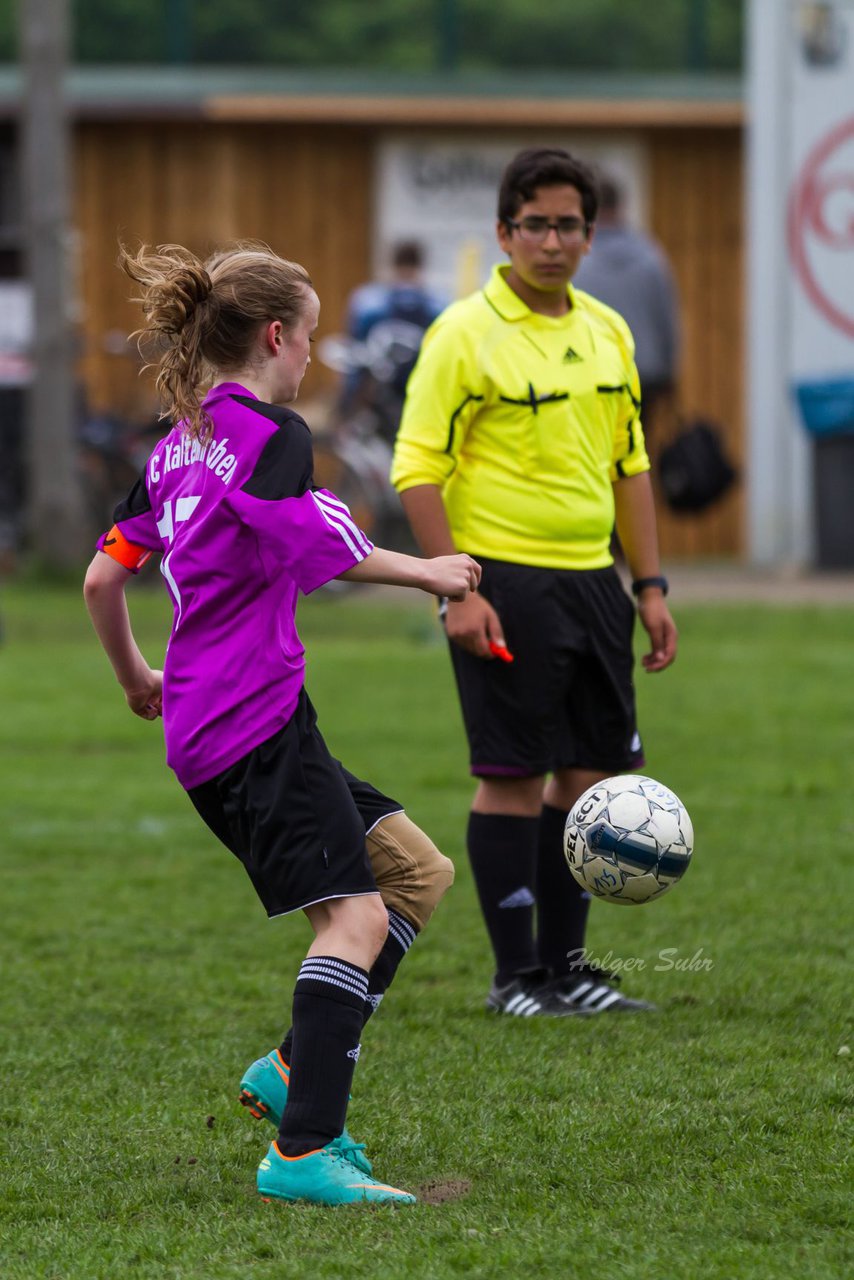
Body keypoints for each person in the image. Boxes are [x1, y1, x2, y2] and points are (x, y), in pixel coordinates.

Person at [83, 241, 481, 1206]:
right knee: (354, 917)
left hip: (226, 722)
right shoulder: (270, 434)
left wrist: (140, 674)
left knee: (415, 875)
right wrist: (428, 570)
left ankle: (296, 1068)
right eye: (308, 339)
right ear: (275, 336)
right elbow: (314, 539)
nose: (313, 359)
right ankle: (304, 1152)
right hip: (250, 726)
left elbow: (104, 575)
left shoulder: (175, 445)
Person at [391, 148, 678, 1018]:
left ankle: (568, 969)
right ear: (505, 232)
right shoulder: (462, 334)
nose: (551, 241)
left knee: (590, 778)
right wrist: (456, 589)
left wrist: (651, 585)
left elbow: (630, 464)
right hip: (501, 580)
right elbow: (416, 468)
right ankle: (515, 977)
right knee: (514, 774)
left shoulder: (608, 331)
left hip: (596, 580)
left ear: (592, 236)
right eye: (535, 225)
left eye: (568, 226)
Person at [572, 174, 680, 451]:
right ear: (621, 207)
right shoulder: (650, 256)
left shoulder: (576, 260)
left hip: (589, 374)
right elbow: (666, 320)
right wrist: (669, 372)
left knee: (592, 453)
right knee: (635, 452)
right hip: (645, 373)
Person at [338, 240, 445, 435]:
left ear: (392, 266)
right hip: (420, 394)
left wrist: (346, 405)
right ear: (420, 267)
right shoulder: (438, 306)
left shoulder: (368, 303)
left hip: (378, 397)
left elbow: (354, 356)